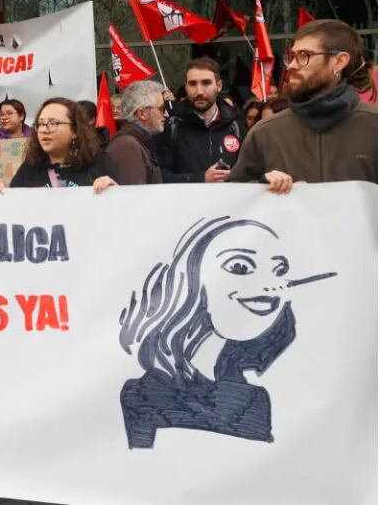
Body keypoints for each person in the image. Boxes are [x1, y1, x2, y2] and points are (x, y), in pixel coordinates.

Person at [119, 216, 337, 449]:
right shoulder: (143, 395)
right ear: (191, 278)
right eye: (240, 267)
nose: (272, 285)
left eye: (279, 269)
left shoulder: (255, 399)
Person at [229, 19, 378, 192]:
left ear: (339, 61)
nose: (291, 66)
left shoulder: (374, 127)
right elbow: (233, 199)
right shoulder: (265, 133)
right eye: (292, 57)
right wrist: (260, 186)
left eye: (304, 56)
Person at [159, 57, 246, 184]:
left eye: (206, 83)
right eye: (193, 84)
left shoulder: (236, 124)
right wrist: (201, 179)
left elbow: (251, 171)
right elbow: (159, 175)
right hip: (186, 203)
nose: (199, 91)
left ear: (219, 85)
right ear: (186, 87)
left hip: (229, 202)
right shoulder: (172, 125)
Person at [5, 97, 117, 192]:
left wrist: (115, 191)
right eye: (40, 124)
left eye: (53, 123)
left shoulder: (99, 163)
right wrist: (2, 197)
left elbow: (123, 210)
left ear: (75, 131)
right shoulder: (30, 167)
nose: (44, 129)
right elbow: (14, 210)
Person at [105, 80, 167, 185]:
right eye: (162, 108)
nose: (166, 114)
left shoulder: (135, 142)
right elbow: (134, 198)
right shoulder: (128, 146)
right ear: (142, 113)